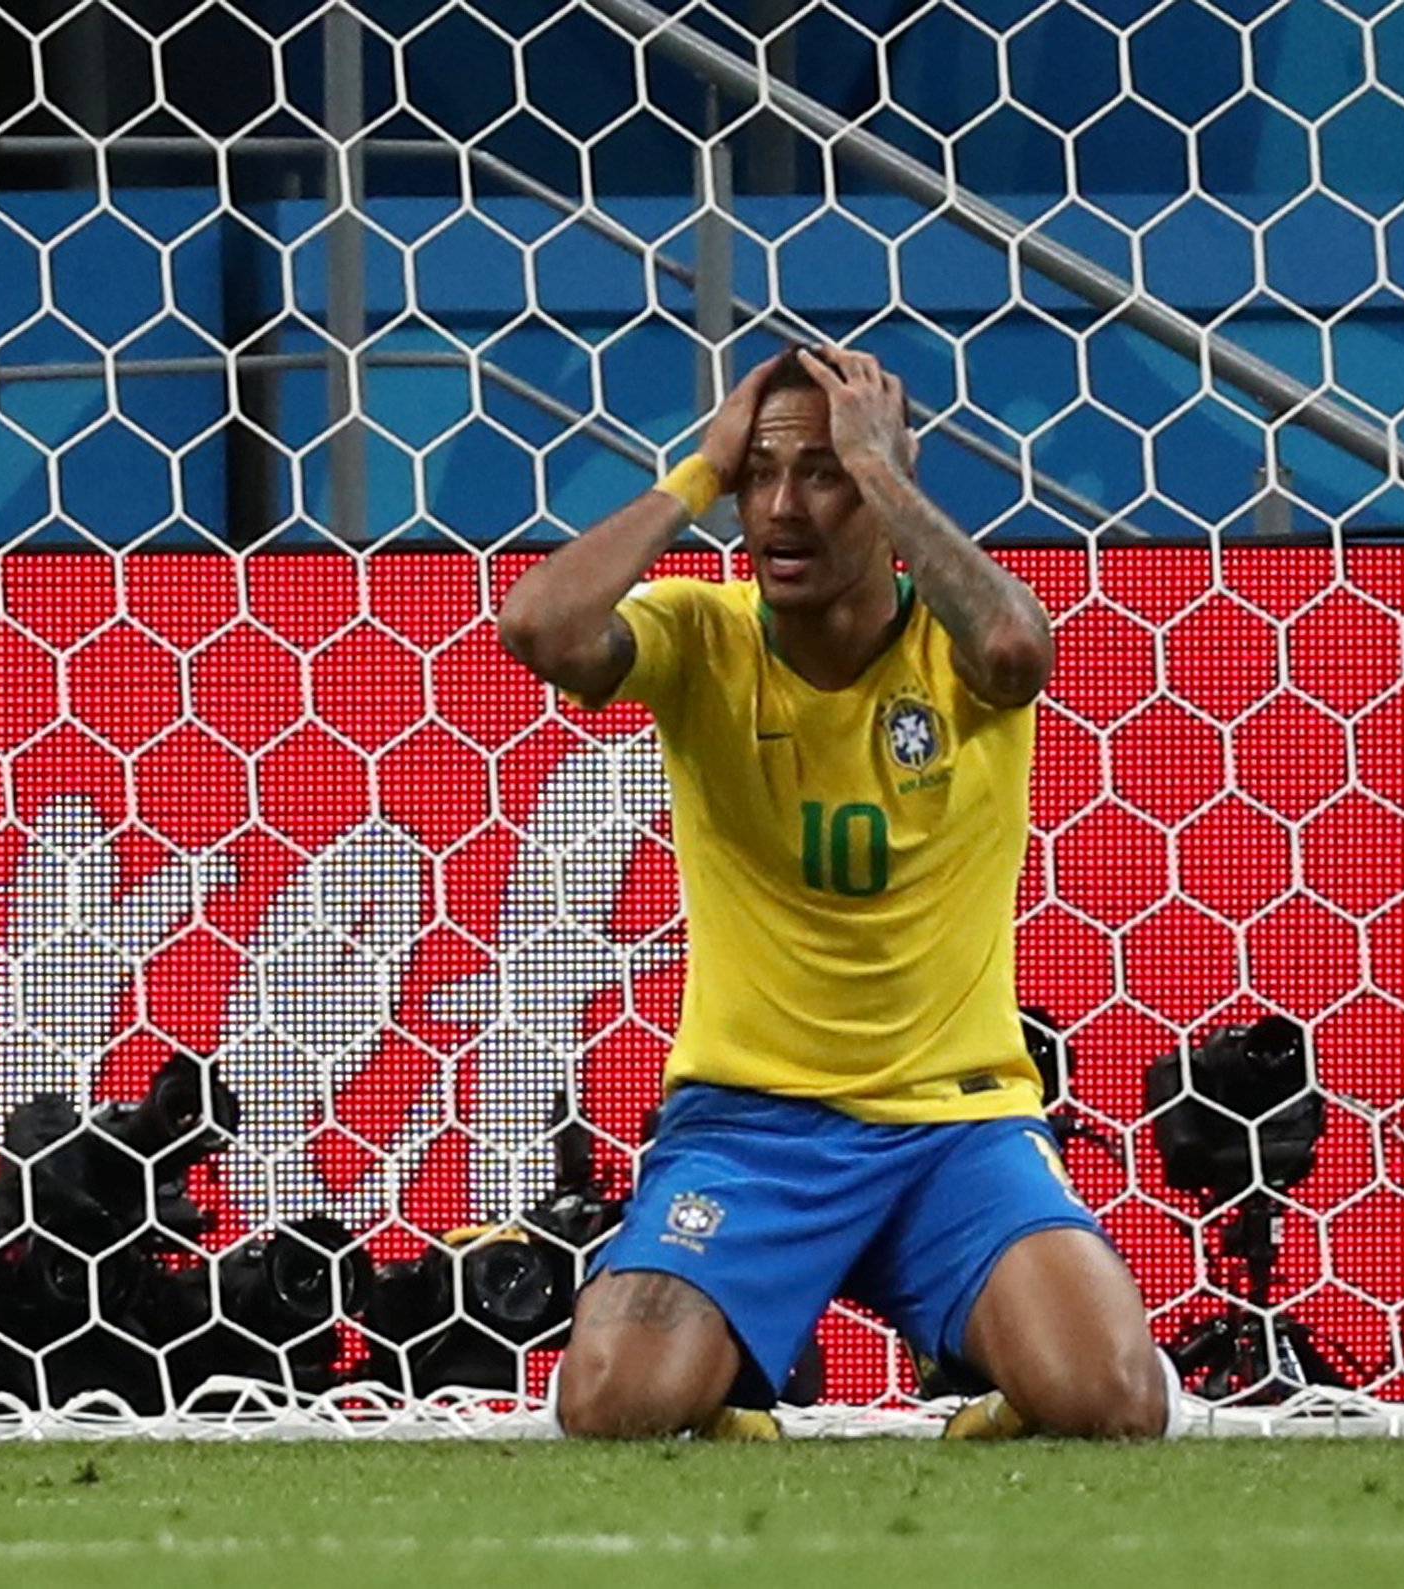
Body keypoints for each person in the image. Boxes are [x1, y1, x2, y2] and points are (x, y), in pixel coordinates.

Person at [497, 345, 1181, 1441]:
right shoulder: (701, 635)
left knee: (1115, 1399)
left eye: (822, 473)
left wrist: (887, 471)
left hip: (954, 1125)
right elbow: (539, 625)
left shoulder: (957, 645)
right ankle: (744, 1365)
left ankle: (974, 1367)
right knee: (610, 1401)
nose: (780, 509)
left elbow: (1017, 647)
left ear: (881, 486)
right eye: (759, 476)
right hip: (750, 1129)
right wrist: (697, 474)